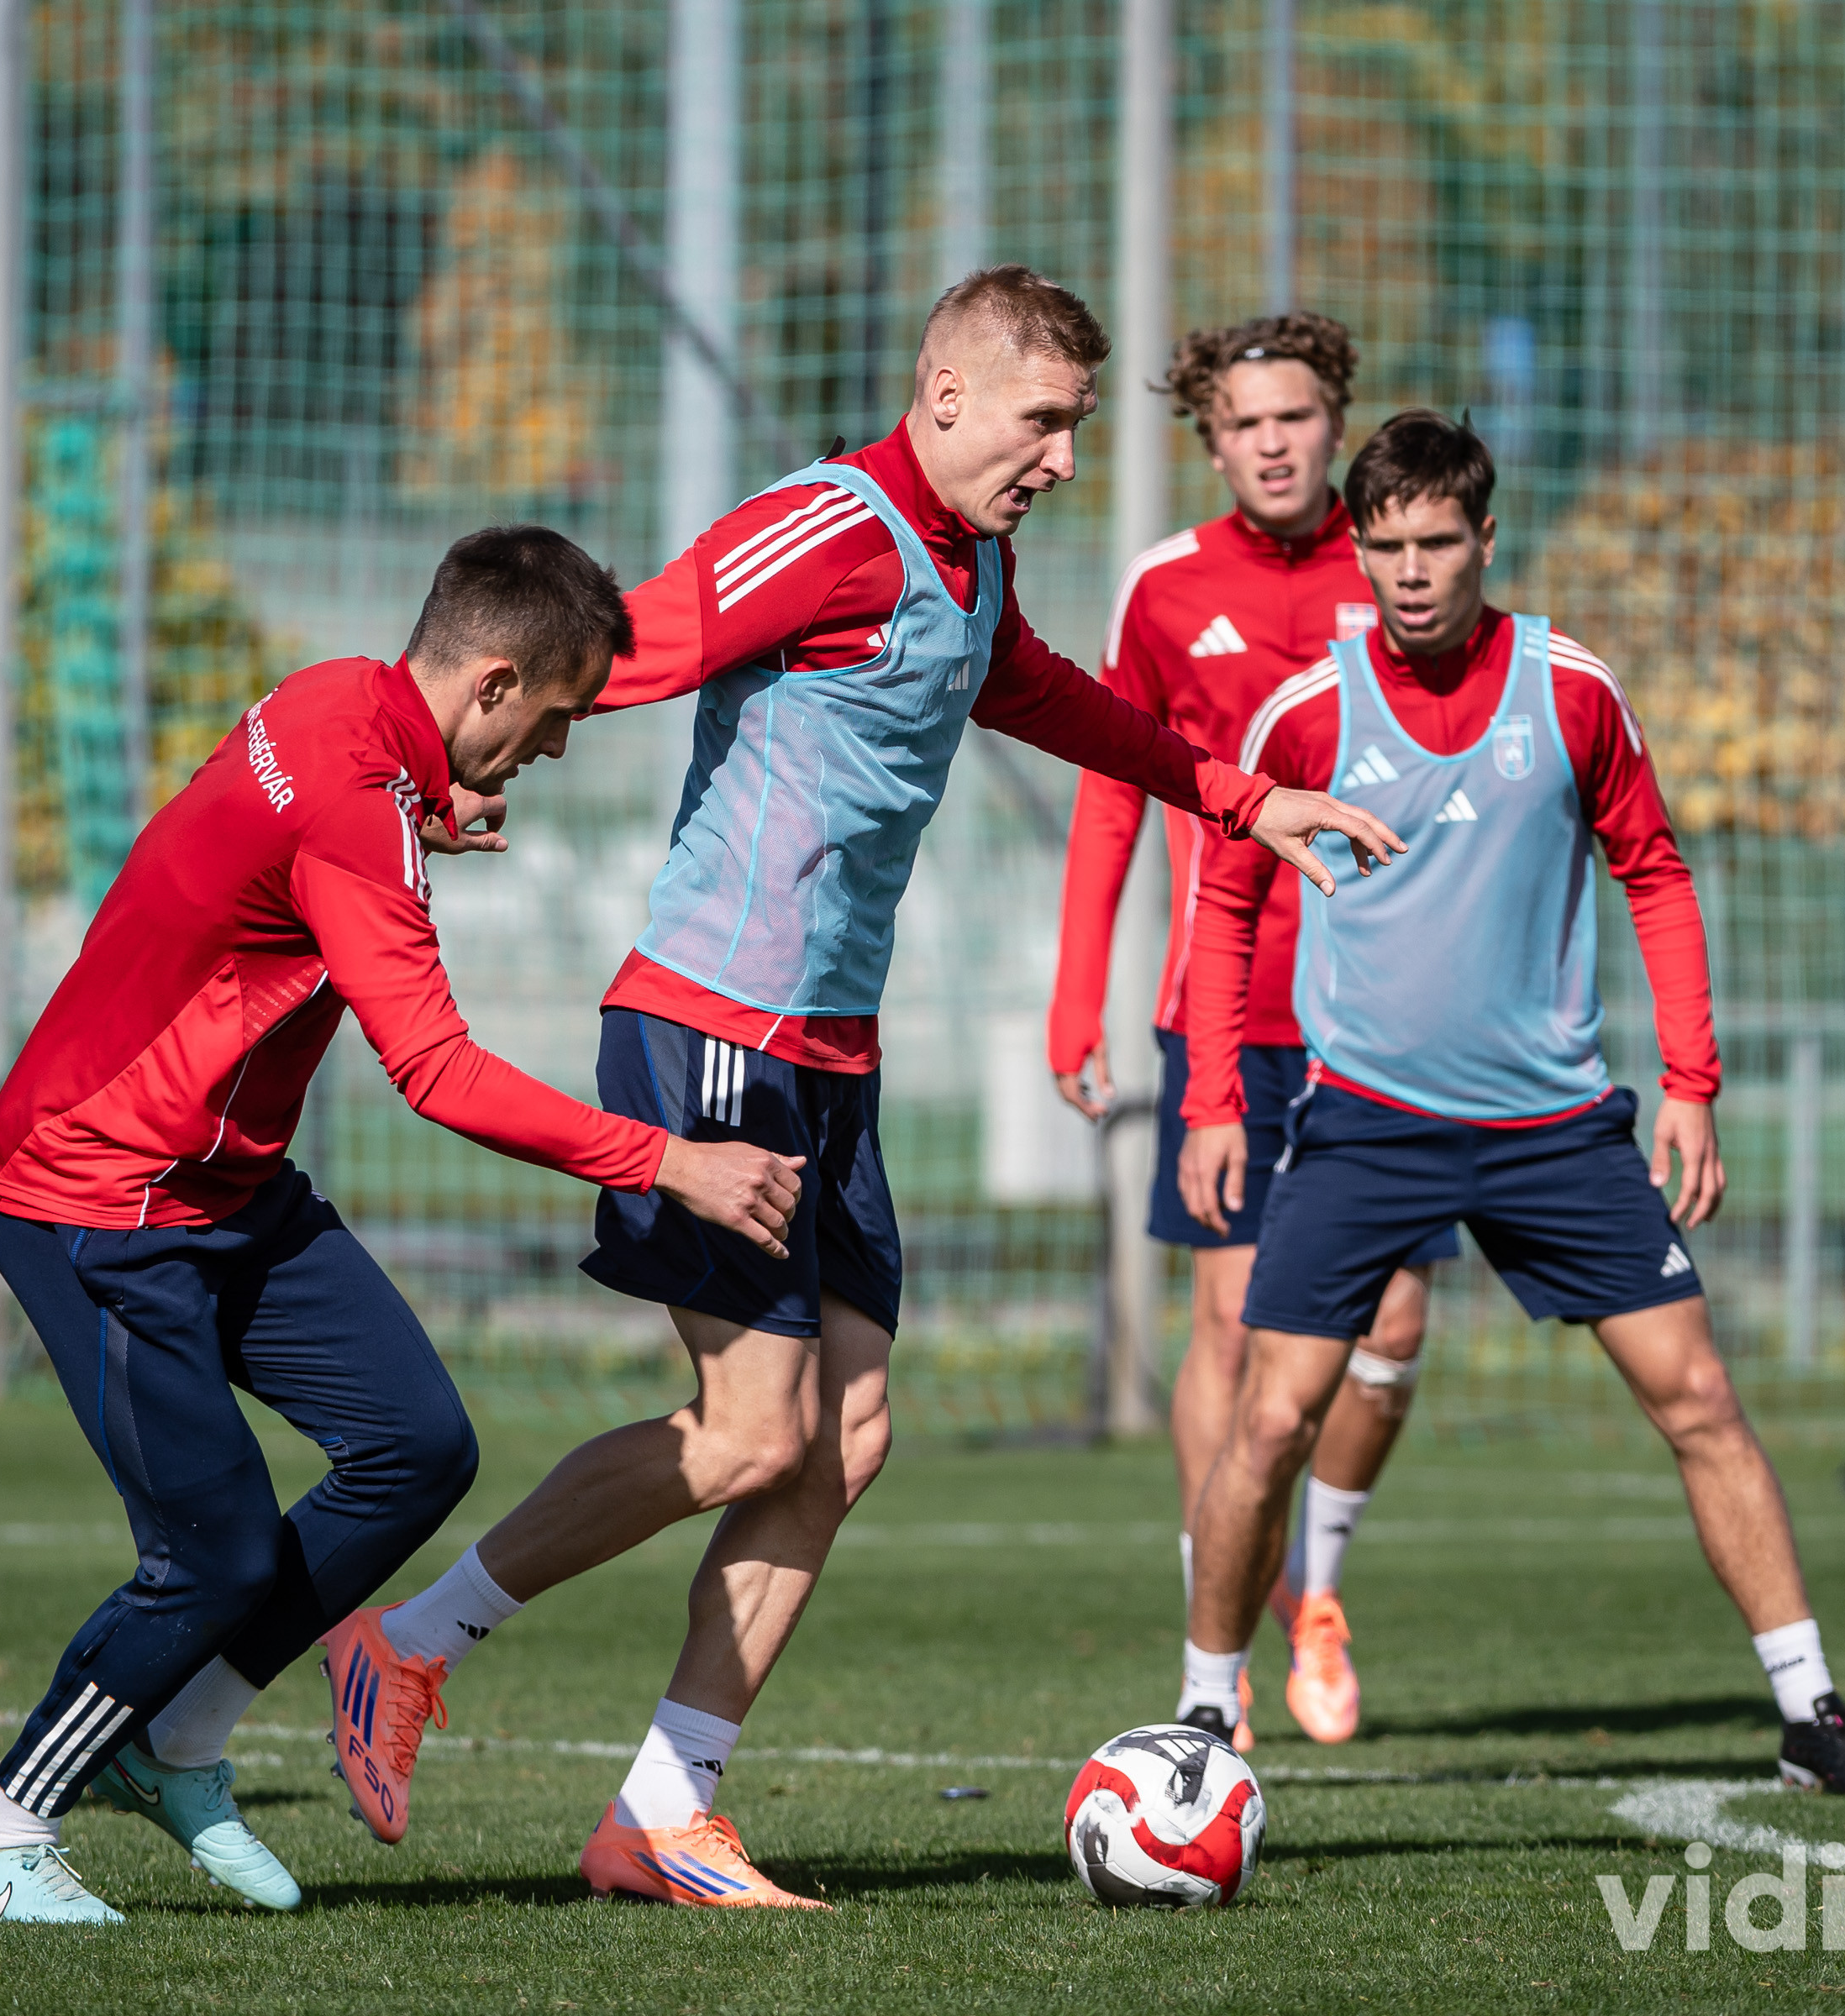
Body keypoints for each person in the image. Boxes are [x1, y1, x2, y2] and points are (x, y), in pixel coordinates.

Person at [339, 265, 1409, 1909]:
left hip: (831, 1054)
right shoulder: (828, 527)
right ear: (949, 394)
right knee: (751, 1431)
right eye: (1043, 422)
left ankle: (662, 1811)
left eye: (1074, 428)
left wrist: (1239, 796)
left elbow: (1043, 694)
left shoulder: (971, 561)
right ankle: (409, 1645)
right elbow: (620, 646)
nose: (1062, 458)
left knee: (845, 1436)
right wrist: (424, 772)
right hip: (712, 1028)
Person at [0, 527, 809, 1925]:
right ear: (495, 681)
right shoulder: (359, 808)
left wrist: (417, 827)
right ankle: (0, 1835)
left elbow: (263, 842)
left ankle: (180, 1739)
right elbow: (438, 1073)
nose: (556, 749)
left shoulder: (337, 698)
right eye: (560, 718)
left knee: (417, 1445)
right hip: (94, 1195)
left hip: (224, 1186)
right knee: (212, 1555)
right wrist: (670, 1163)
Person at [1168, 411, 1845, 1796]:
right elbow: (1225, 896)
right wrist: (1214, 1097)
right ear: (1360, 550)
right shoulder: (1308, 708)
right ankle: (1205, 1719)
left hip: (1556, 1131)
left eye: (1437, 543)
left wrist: (1691, 1084)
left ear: (1487, 539)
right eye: (1385, 546)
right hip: (1364, 1122)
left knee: (1700, 1399)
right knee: (1268, 1422)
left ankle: (1813, 1712)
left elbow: (1656, 874)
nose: (1410, 572)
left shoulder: (1571, 691)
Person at [1049, 312, 1442, 1747]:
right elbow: (1111, 787)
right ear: (1210, 443)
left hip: (1390, 1023)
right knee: (1226, 1325)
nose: (1272, 444)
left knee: (1391, 1325)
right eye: (1243, 424)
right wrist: (1077, 990)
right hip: (1221, 1016)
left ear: (1336, 422)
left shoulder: (1403, 565)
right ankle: (1216, 1632)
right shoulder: (1165, 590)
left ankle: (1311, 1588)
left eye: (1294, 417)